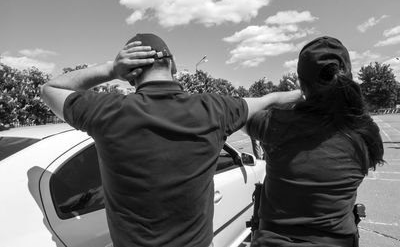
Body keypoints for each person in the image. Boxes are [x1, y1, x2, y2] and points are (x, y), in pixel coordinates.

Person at [41, 33, 302, 247]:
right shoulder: (214, 110)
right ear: (174, 66)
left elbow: (49, 89)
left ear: (131, 74)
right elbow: (270, 99)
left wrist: (111, 69)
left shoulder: (107, 111)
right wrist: (303, 93)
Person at [245, 36, 385, 247]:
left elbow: (238, 112)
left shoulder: (277, 124)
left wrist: (277, 97)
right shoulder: (365, 132)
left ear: (301, 84)